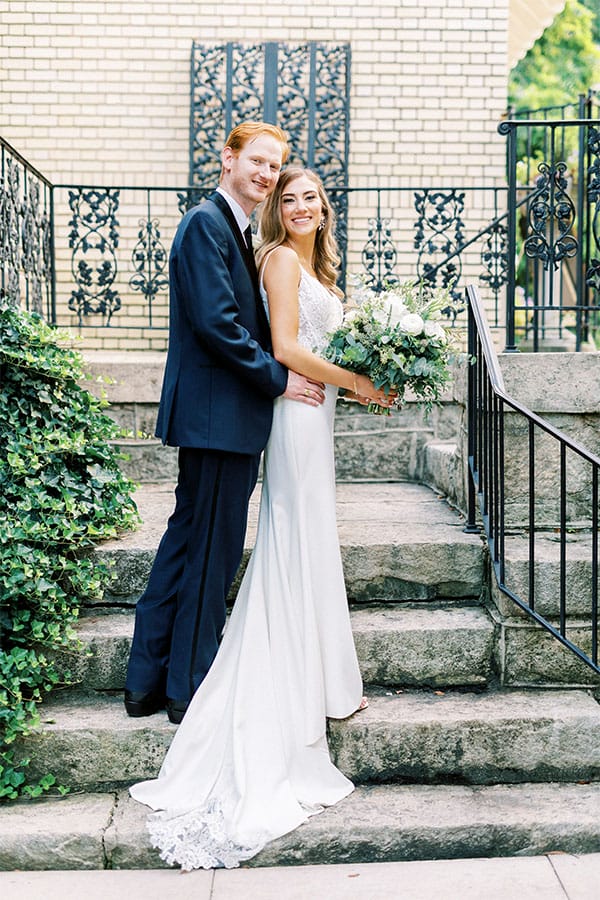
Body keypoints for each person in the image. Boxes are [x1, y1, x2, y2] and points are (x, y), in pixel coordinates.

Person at [129, 166, 393, 869]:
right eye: (291, 196)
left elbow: (325, 347)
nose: (302, 205)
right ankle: (295, 682)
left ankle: (325, 678)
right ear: (277, 206)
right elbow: (285, 349)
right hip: (295, 418)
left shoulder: (316, 266)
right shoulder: (276, 259)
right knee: (292, 540)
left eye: (312, 196)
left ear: (326, 207)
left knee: (311, 540)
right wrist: (358, 382)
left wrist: (366, 382)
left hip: (320, 416)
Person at [124, 124, 327, 726]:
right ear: (229, 158)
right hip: (217, 418)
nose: (268, 175)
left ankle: (147, 681)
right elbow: (219, 327)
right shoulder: (204, 225)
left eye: (276, 166)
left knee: (189, 545)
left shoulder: (235, 230)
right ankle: (189, 690)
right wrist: (279, 378)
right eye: (259, 162)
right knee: (209, 556)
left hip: (224, 418)